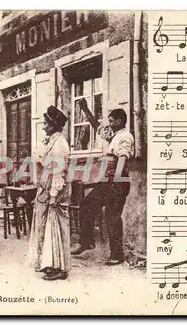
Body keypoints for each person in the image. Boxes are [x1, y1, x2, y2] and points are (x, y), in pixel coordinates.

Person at [71, 99, 134, 266]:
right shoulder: (113, 135)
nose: (110, 124)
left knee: (112, 217)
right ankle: (87, 242)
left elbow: (122, 159)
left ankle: (117, 255)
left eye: (112, 121)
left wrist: (115, 182)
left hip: (118, 181)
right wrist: (85, 109)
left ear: (120, 121)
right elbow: (96, 126)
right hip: (106, 180)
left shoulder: (125, 136)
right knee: (86, 205)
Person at [28, 105, 71, 281]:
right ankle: (49, 263)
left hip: (55, 188)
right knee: (45, 225)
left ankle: (59, 268)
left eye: (45, 124)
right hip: (46, 186)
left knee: (55, 226)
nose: (43, 127)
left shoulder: (59, 144)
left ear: (53, 125)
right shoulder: (51, 141)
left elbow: (59, 171)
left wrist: (53, 196)